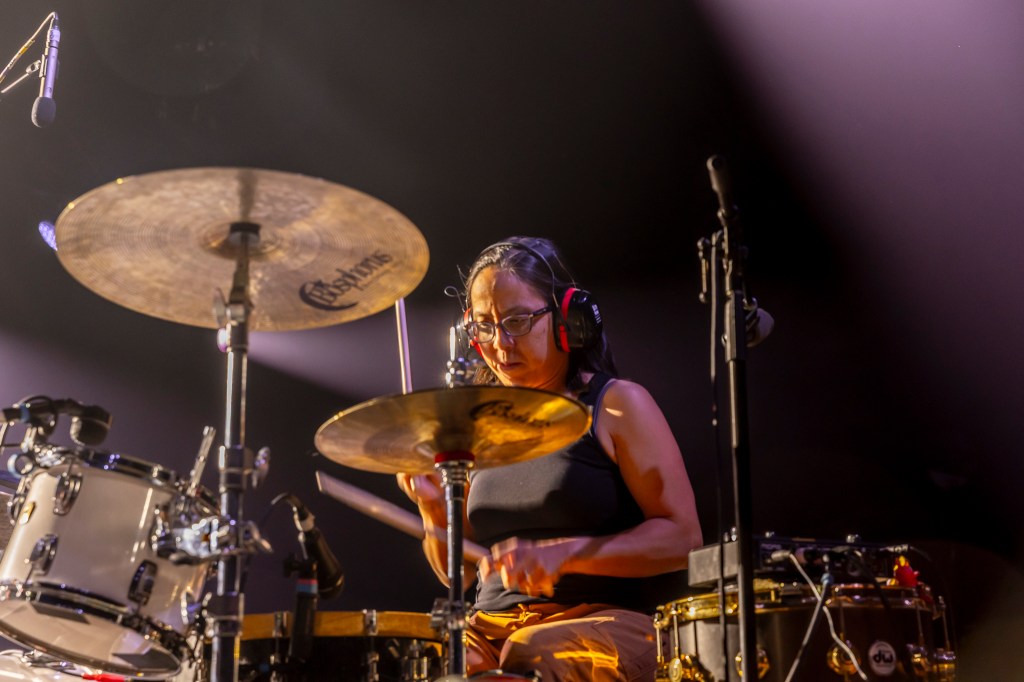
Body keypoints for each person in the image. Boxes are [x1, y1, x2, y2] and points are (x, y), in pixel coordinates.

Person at [397, 236, 702, 681]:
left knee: (531, 651)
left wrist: (567, 555)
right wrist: (429, 508)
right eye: (484, 325)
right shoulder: (475, 425)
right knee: (426, 656)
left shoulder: (616, 405)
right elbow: (455, 576)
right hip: (492, 627)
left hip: (608, 622)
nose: (499, 342)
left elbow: (683, 539)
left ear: (567, 319)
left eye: (517, 321)